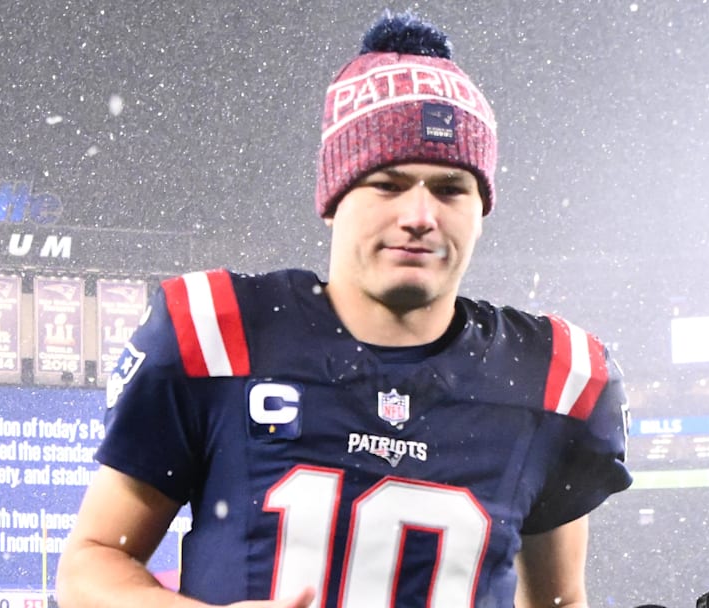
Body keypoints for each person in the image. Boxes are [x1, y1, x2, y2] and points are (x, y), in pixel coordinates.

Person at [56, 10, 631, 608]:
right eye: (387, 182)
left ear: (480, 208)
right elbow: (91, 564)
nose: (419, 215)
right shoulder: (221, 334)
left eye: (450, 188)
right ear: (335, 199)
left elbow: (560, 603)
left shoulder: (550, 379)